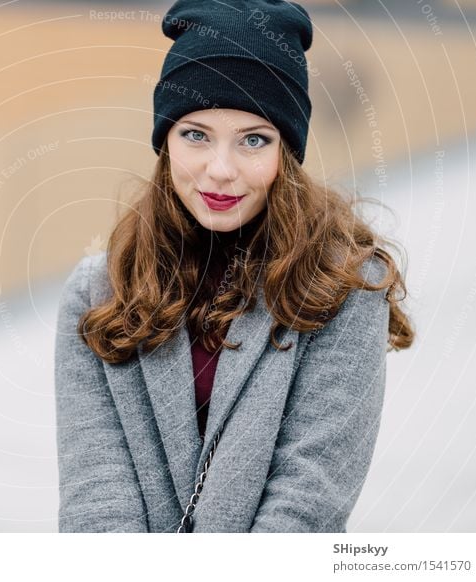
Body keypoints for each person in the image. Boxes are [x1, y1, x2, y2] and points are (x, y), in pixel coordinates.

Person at [54, 0, 414, 533]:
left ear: (286, 152)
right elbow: (95, 493)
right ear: (165, 143)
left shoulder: (344, 286)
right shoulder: (98, 292)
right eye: (195, 134)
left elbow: (307, 499)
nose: (220, 170)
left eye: (253, 140)